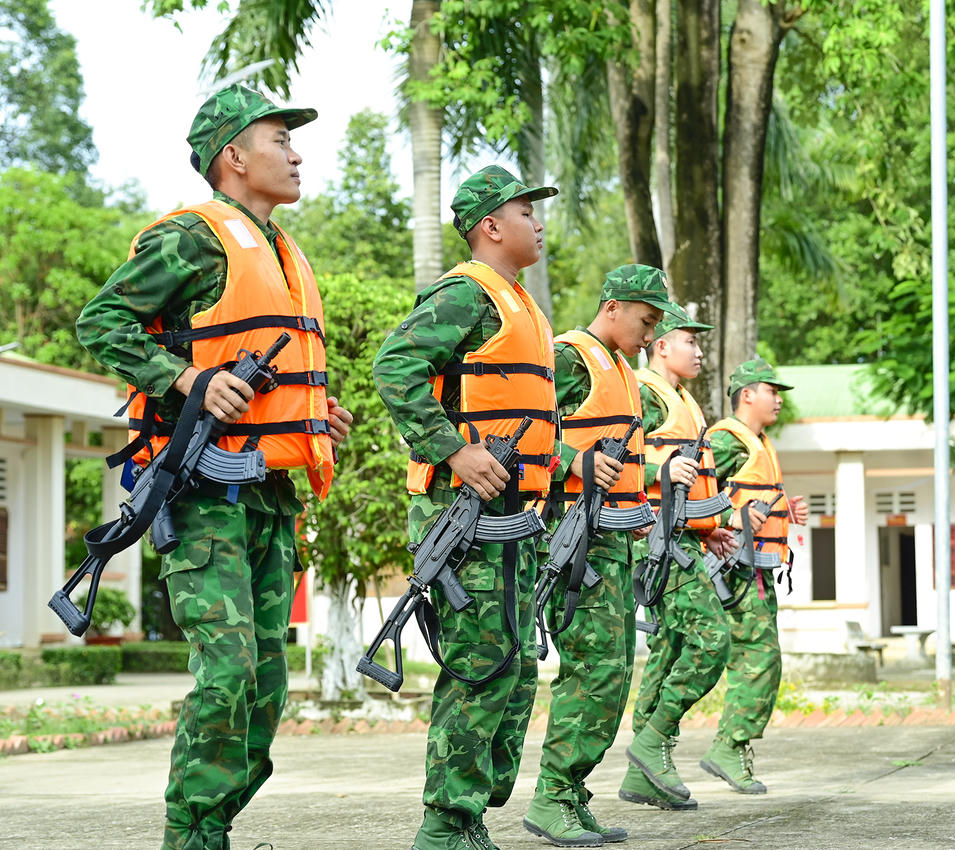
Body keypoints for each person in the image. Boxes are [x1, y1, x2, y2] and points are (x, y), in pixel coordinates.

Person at [76, 83, 353, 850]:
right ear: (233, 156)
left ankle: (211, 824)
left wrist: (311, 414)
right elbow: (101, 320)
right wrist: (188, 379)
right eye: (279, 140)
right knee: (228, 673)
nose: (296, 154)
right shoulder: (193, 239)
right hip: (203, 493)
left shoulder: (286, 252)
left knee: (265, 693)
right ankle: (191, 837)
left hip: (270, 493)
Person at [373, 165, 559, 850]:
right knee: (479, 665)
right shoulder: (466, 295)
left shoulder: (522, 308)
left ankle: (471, 814)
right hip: (466, 515)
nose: (537, 223)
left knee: (514, 667)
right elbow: (394, 366)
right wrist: (452, 450)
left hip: (513, 519)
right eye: (525, 211)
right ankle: (445, 827)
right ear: (491, 226)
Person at [524, 264, 672, 847]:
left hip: (611, 540)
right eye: (645, 320)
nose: (651, 335)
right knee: (591, 669)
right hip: (572, 535)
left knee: (609, 673)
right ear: (612, 307)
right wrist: (568, 460)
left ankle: (571, 791)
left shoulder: (621, 369)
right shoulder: (570, 358)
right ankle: (552, 796)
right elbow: (521, 425)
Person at [619, 302, 735, 811]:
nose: (700, 350)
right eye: (691, 340)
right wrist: (655, 480)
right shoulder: (643, 391)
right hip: (657, 541)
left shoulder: (684, 399)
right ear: (662, 345)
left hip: (683, 538)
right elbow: (615, 455)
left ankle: (645, 771)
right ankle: (652, 741)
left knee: (668, 651)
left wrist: (706, 529)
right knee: (712, 641)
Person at [704, 358, 807, 794]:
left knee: (762, 660)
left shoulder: (759, 443)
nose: (778, 399)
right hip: (736, 570)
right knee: (759, 660)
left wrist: (783, 511)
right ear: (747, 394)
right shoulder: (729, 441)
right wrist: (730, 521)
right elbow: (698, 493)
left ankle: (728, 746)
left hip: (757, 573)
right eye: (772, 390)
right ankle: (728, 747)